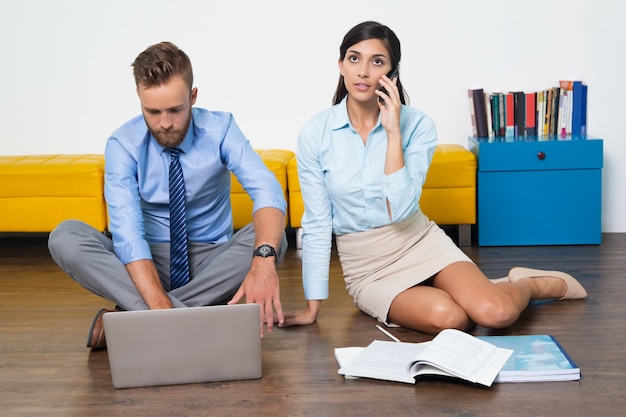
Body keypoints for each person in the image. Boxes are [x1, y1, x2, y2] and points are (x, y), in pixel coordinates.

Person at [279, 21, 587, 335]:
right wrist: (311, 306)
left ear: (392, 74)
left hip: (419, 242)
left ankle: (530, 285)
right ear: (341, 65)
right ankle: (473, 290)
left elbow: (399, 210)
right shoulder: (316, 133)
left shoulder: (418, 125)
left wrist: (393, 132)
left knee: (496, 312)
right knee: (452, 319)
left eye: (377, 61)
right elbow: (317, 221)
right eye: (354, 58)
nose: (363, 71)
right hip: (368, 268)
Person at [48, 41, 288, 348]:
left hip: (213, 261)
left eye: (176, 109)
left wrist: (264, 262)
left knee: (273, 236)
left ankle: (130, 321)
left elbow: (266, 189)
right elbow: (128, 233)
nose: (165, 123)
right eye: (153, 111)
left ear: (193, 96)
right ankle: (195, 319)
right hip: (148, 261)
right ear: (139, 98)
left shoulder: (222, 128)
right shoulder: (123, 144)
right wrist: (163, 309)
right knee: (65, 236)